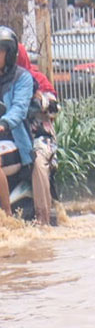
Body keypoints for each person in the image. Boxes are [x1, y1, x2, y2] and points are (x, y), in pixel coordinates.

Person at [15, 44, 56, 225]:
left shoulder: (37, 80)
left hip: (39, 138)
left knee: (37, 162)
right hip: (11, 137)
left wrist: (40, 100)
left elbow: (54, 108)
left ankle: (43, 219)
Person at [0, 27, 35, 218]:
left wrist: (4, 123)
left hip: (14, 140)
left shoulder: (22, 78)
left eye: (0, 50)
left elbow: (19, 109)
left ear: (10, 53)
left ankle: (6, 218)